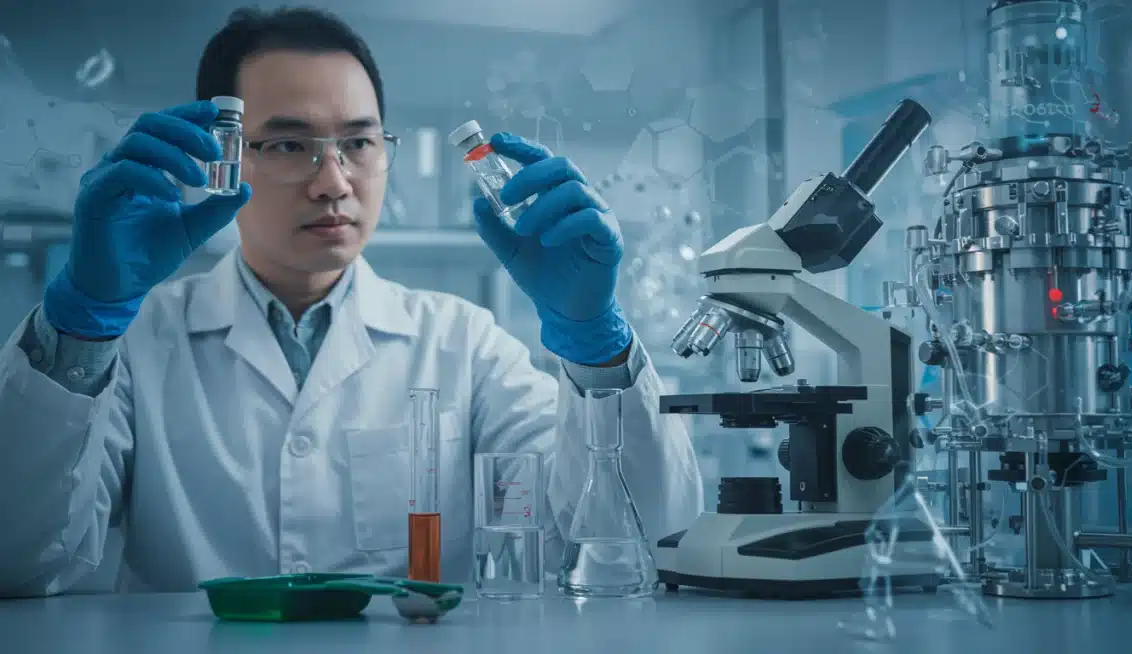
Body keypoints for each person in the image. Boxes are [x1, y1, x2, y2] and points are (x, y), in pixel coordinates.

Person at [0, 7, 702, 595]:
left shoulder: (464, 344)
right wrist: (79, 324)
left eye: (359, 142)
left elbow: (631, 539)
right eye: (286, 143)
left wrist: (596, 345)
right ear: (221, 157)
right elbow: (22, 561)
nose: (333, 182)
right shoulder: (140, 342)